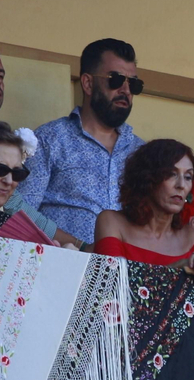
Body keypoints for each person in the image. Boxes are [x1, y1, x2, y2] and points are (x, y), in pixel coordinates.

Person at [0, 36, 77, 246]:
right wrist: (78, 245)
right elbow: (13, 205)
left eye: (0, 75)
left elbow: (13, 204)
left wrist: (72, 245)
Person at [21, 38, 145, 242]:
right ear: (87, 83)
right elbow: (21, 213)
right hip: (62, 266)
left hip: (126, 270)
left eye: (133, 84)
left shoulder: (142, 153)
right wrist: (78, 247)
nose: (125, 91)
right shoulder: (50, 138)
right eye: (115, 80)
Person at [93, 138, 194, 279]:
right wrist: (179, 269)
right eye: (171, 174)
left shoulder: (190, 237)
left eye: (188, 177)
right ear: (147, 179)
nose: (181, 185)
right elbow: (110, 284)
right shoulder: (111, 222)